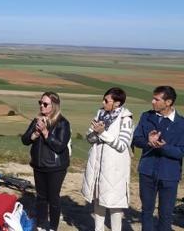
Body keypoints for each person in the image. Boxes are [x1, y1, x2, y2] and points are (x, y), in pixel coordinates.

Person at [132, 86, 184, 231]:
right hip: (147, 171)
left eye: (156, 99)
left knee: (165, 214)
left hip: (170, 175)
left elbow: (181, 152)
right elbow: (136, 139)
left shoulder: (182, 124)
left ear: (168, 102)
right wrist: (148, 142)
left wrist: (163, 147)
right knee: (146, 212)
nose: (152, 101)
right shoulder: (146, 116)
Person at [81, 88, 134, 231]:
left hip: (115, 167)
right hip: (97, 163)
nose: (102, 102)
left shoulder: (126, 119)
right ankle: (98, 229)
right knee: (98, 199)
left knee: (114, 202)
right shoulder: (100, 114)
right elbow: (90, 138)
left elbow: (122, 145)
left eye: (106, 100)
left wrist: (102, 133)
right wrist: (93, 133)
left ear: (117, 103)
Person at [21, 92, 71, 231]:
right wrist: (35, 134)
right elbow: (24, 140)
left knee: (53, 198)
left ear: (54, 106)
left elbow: (59, 146)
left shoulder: (62, 123)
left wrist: (45, 133)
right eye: (40, 103)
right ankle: (41, 224)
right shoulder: (37, 120)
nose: (41, 106)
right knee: (41, 197)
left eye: (45, 104)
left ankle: (53, 227)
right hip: (39, 164)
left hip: (56, 167)